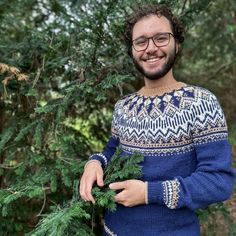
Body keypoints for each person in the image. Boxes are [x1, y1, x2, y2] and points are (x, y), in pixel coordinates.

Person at [80, 4, 235, 236]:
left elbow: (218, 181)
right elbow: (112, 151)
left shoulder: (201, 103)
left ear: (177, 44)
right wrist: (95, 162)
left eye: (161, 38)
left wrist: (148, 193)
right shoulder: (123, 107)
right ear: (132, 50)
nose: (150, 48)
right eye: (141, 42)